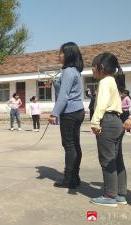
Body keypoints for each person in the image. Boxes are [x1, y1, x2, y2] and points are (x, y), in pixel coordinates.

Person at [89, 52, 128, 207]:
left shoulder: (105, 81)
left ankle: (109, 195)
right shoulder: (113, 81)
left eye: (93, 67)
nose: (92, 70)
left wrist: (95, 121)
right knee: (117, 159)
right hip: (117, 122)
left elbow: (102, 104)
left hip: (108, 121)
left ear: (101, 67)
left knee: (106, 159)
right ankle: (120, 194)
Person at [49, 42, 85, 189]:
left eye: (61, 52)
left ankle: (69, 179)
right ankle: (75, 177)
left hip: (70, 112)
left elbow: (63, 97)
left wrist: (54, 114)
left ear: (68, 54)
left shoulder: (68, 71)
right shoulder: (75, 71)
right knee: (75, 145)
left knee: (69, 146)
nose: (59, 55)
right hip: (78, 111)